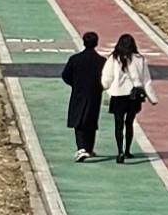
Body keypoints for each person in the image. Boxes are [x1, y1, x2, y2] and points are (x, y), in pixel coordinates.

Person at [101, 33, 158, 163]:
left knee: (118, 124)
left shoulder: (113, 58)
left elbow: (107, 77)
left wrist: (104, 87)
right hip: (134, 96)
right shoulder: (139, 59)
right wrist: (152, 98)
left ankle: (120, 150)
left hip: (118, 95)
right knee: (129, 123)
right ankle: (127, 150)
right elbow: (146, 80)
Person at [62, 31, 107, 162]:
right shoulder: (101, 61)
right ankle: (89, 147)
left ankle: (81, 147)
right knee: (91, 120)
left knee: (78, 120)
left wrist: (75, 84)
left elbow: (66, 75)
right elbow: (106, 78)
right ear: (96, 43)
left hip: (78, 93)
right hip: (94, 94)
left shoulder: (75, 59)